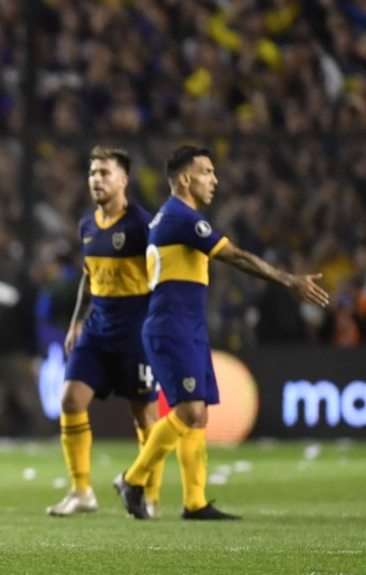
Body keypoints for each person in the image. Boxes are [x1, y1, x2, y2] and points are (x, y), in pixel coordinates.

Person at [114, 145, 330, 520]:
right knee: (189, 409)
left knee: (198, 415)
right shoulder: (180, 216)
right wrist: (288, 280)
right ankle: (132, 479)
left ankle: (195, 502)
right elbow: (237, 257)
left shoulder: (176, 217)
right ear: (185, 179)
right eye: (207, 172)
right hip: (172, 327)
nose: (214, 180)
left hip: (188, 327)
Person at [47, 146, 166, 518]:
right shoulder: (87, 225)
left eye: (105, 173)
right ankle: (81, 491)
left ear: (123, 180)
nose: (96, 180)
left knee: (145, 416)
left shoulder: (142, 225)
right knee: (70, 400)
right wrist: (76, 321)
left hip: (136, 332)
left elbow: (163, 276)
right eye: (92, 173)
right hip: (97, 329)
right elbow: (88, 277)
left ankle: (149, 495)